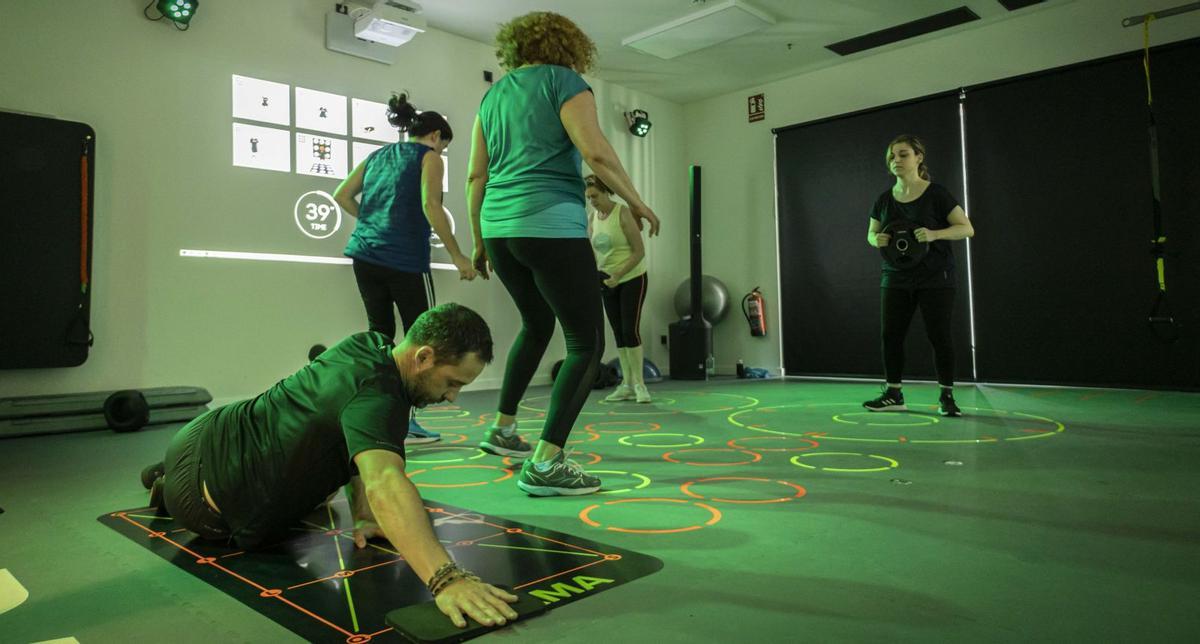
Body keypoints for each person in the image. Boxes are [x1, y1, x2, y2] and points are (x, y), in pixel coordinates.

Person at [146, 303, 519, 628]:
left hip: (205, 432)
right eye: (452, 383)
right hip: (201, 504)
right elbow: (384, 481)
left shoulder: (368, 346)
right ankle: (166, 488)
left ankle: (162, 472)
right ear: (423, 358)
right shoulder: (376, 399)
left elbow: (352, 442)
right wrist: (447, 580)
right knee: (304, 505)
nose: (452, 397)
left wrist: (364, 515)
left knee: (316, 484)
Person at [466, 11, 660, 496]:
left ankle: (503, 428)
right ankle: (547, 462)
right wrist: (635, 201)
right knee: (586, 344)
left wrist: (478, 239)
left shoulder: (492, 96)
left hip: (499, 228)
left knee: (537, 324)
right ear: (569, 47)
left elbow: (476, 176)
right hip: (548, 222)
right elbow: (595, 153)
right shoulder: (564, 81)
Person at [334, 93, 476, 444]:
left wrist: (372, 222)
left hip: (365, 255)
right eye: (443, 146)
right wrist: (459, 256)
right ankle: (408, 420)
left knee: (380, 335)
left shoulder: (378, 155)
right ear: (435, 137)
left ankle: (378, 415)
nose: (441, 153)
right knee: (423, 339)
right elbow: (432, 205)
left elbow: (342, 195)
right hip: (404, 259)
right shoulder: (429, 157)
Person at [864, 135, 975, 416]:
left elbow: (966, 228)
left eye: (903, 155)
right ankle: (893, 394)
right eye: (892, 157)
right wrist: (876, 240)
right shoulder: (884, 199)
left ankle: (947, 397)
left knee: (939, 335)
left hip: (936, 277)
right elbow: (871, 233)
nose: (896, 161)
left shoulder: (937, 194)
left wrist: (935, 233)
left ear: (918, 158)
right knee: (891, 335)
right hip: (896, 277)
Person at [585, 174, 651, 404]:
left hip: (632, 277)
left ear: (606, 192)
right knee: (618, 332)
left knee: (630, 329)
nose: (592, 200)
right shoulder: (593, 218)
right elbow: (593, 252)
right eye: (589, 197)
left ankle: (641, 385)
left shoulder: (622, 213)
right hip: (607, 279)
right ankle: (626, 385)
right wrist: (598, 275)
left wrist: (618, 274)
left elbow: (639, 251)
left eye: (595, 196)